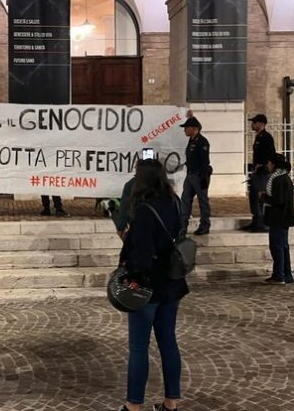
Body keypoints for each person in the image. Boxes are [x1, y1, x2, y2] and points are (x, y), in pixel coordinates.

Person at [115, 159, 188, 411]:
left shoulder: (144, 210)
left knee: (138, 346)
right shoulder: (175, 202)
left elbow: (142, 256)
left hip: (147, 288)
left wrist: (129, 270)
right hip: (172, 283)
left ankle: (133, 405)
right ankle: (171, 403)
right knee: (168, 341)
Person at [260, 153, 294, 285]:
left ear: (274, 164)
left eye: (269, 163)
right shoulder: (283, 178)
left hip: (278, 218)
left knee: (277, 247)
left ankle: (279, 275)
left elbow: (278, 200)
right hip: (282, 218)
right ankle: (286, 274)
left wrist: (263, 197)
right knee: (283, 247)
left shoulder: (279, 179)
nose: (267, 166)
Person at [243, 114, 275, 233]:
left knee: (261, 198)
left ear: (261, 124)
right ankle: (255, 221)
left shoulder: (266, 137)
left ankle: (262, 224)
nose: (252, 124)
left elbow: (270, 155)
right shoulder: (259, 137)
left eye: (255, 122)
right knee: (254, 197)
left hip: (263, 173)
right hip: (257, 172)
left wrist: (262, 166)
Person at [179, 116, 211, 235]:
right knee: (185, 200)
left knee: (203, 201)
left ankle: (205, 225)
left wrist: (203, 178)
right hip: (190, 175)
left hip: (199, 176)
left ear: (194, 128)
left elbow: (204, 161)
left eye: (186, 128)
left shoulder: (202, 142)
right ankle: (182, 226)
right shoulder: (191, 140)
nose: (185, 130)